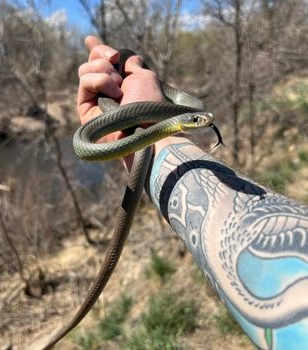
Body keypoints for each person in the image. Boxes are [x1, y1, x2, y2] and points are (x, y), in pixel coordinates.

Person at [78, 36, 308, 350]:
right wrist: (136, 123)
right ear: (181, 122)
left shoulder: (169, 122)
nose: (203, 121)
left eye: (198, 121)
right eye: (196, 122)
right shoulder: (165, 121)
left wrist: (143, 130)